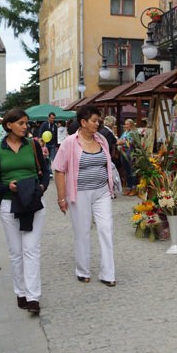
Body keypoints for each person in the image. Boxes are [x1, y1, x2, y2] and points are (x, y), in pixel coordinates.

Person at [0, 109, 49, 315]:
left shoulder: (32, 145)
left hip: (33, 202)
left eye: (26, 123)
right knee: (16, 253)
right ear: (9, 125)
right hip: (8, 203)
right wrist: (9, 187)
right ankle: (20, 292)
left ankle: (33, 297)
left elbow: (45, 172)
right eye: (21, 123)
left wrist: (41, 188)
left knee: (31, 249)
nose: (25, 126)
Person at [53, 105, 117, 287]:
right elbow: (59, 169)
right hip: (79, 193)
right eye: (94, 121)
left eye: (99, 120)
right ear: (83, 122)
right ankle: (83, 270)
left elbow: (107, 163)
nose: (98, 124)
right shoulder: (70, 143)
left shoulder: (102, 139)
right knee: (82, 232)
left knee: (106, 229)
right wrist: (61, 197)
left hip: (102, 191)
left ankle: (108, 274)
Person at [116, 118, 137, 196]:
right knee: (127, 171)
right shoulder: (125, 133)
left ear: (131, 124)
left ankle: (134, 187)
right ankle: (129, 187)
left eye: (127, 124)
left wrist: (123, 142)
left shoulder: (133, 133)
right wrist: (122, 142)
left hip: (130, 153)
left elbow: (130, 142)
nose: (125, 126)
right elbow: (119, 141)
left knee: (132, 171)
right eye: (125, 124)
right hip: (123, 153)